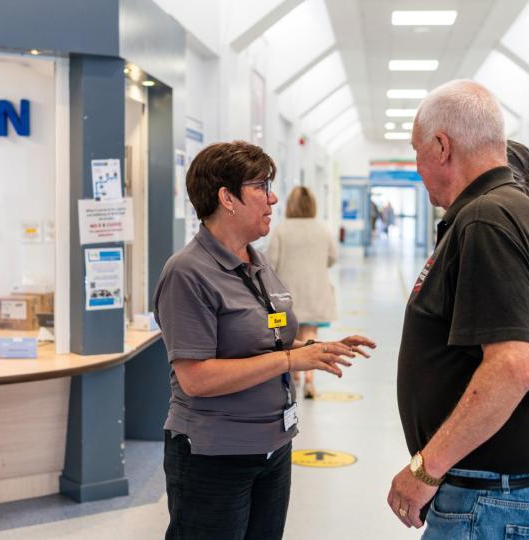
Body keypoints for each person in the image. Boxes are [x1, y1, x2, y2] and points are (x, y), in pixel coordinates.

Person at [389, 80, 529, 538]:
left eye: (417, 151)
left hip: (497, 500)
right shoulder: (519, 213)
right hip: (511, 492)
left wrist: (425, 469)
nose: (417, 168)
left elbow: (512, 369)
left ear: (442, 146)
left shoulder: (485, 221)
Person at [154, 141, 376, 539]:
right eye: (261, 186)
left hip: (273, 447)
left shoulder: (257, 263)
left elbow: (265, 346)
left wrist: (310, 351)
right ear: (227, 198)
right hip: (214, 453)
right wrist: (289, 362)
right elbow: (196, 378)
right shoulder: (188, 273)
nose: (273, 197)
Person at [267, 186, 338, 398]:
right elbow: (333, 257)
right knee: (311, 334)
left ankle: (295, 375)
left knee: (291, 335)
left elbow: (271, 262)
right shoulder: (322, 229)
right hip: (316, 292)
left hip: (287, 294)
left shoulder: (281, 229)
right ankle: (310, 380)